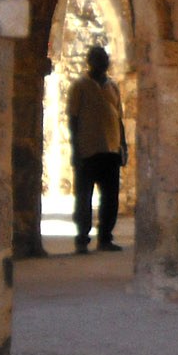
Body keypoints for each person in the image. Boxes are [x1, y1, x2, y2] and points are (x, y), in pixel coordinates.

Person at [66, 45, 127, 254]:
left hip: (111, 149)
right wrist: (75, 148)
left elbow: (118, 118)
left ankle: (105, 238)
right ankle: (82, 239)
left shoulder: (113, 86)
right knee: (84, 197)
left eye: (105, 60)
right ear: (90, 62)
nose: (104, 63)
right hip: (88, 149)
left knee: (110, 198)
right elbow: (73, 118)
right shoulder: (80, 86)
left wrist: (123, 145)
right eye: (99, 60)